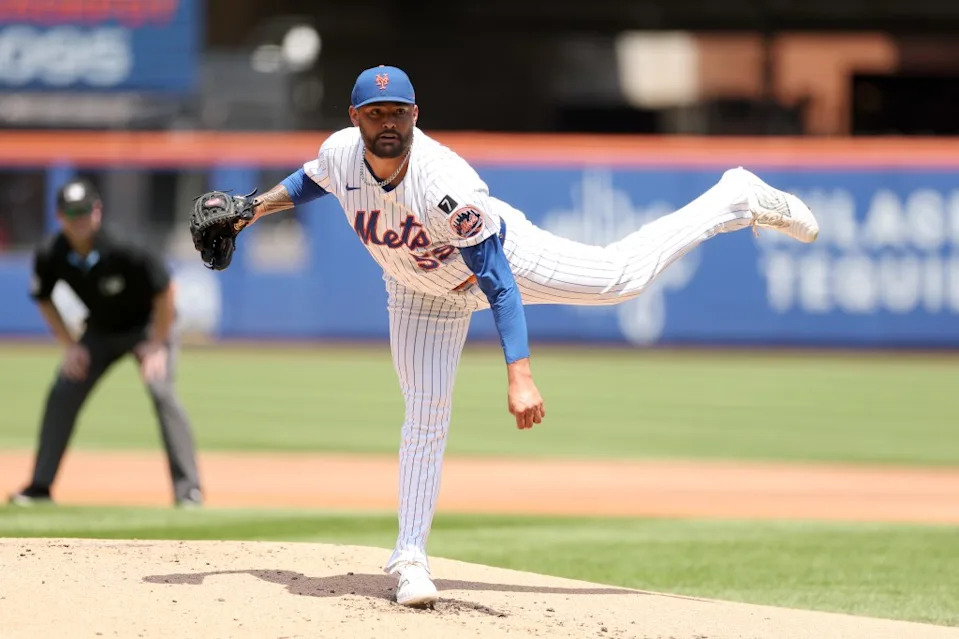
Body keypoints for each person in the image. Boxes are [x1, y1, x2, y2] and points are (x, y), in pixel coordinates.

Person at [206, 65, 818, 606]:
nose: (386, 123)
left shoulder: (444, 183)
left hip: (499, 258)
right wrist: (252, 207)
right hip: (419, 292)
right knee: (425, 414)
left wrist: (519, 372)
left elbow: (498, 283)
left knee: (619, 279)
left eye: (398, 112)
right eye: (375, 113)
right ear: (355, 118)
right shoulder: (341, 152)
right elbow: (313, 180)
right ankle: (410, 559)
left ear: (416, 116)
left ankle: (734, 197)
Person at [9, 178, 203, 508]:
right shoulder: (51, 253)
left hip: (148, 328)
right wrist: (71, 345)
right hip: (100, 331)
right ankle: (40, 486)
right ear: (59, 217)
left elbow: (166, 292)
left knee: (161, 390)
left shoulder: (123, 247)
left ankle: (188, 491)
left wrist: (156, 344)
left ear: (97, 211)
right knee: (64, 389)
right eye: (72, 213)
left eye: (85, 210)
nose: (80, 218)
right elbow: (43, 298)